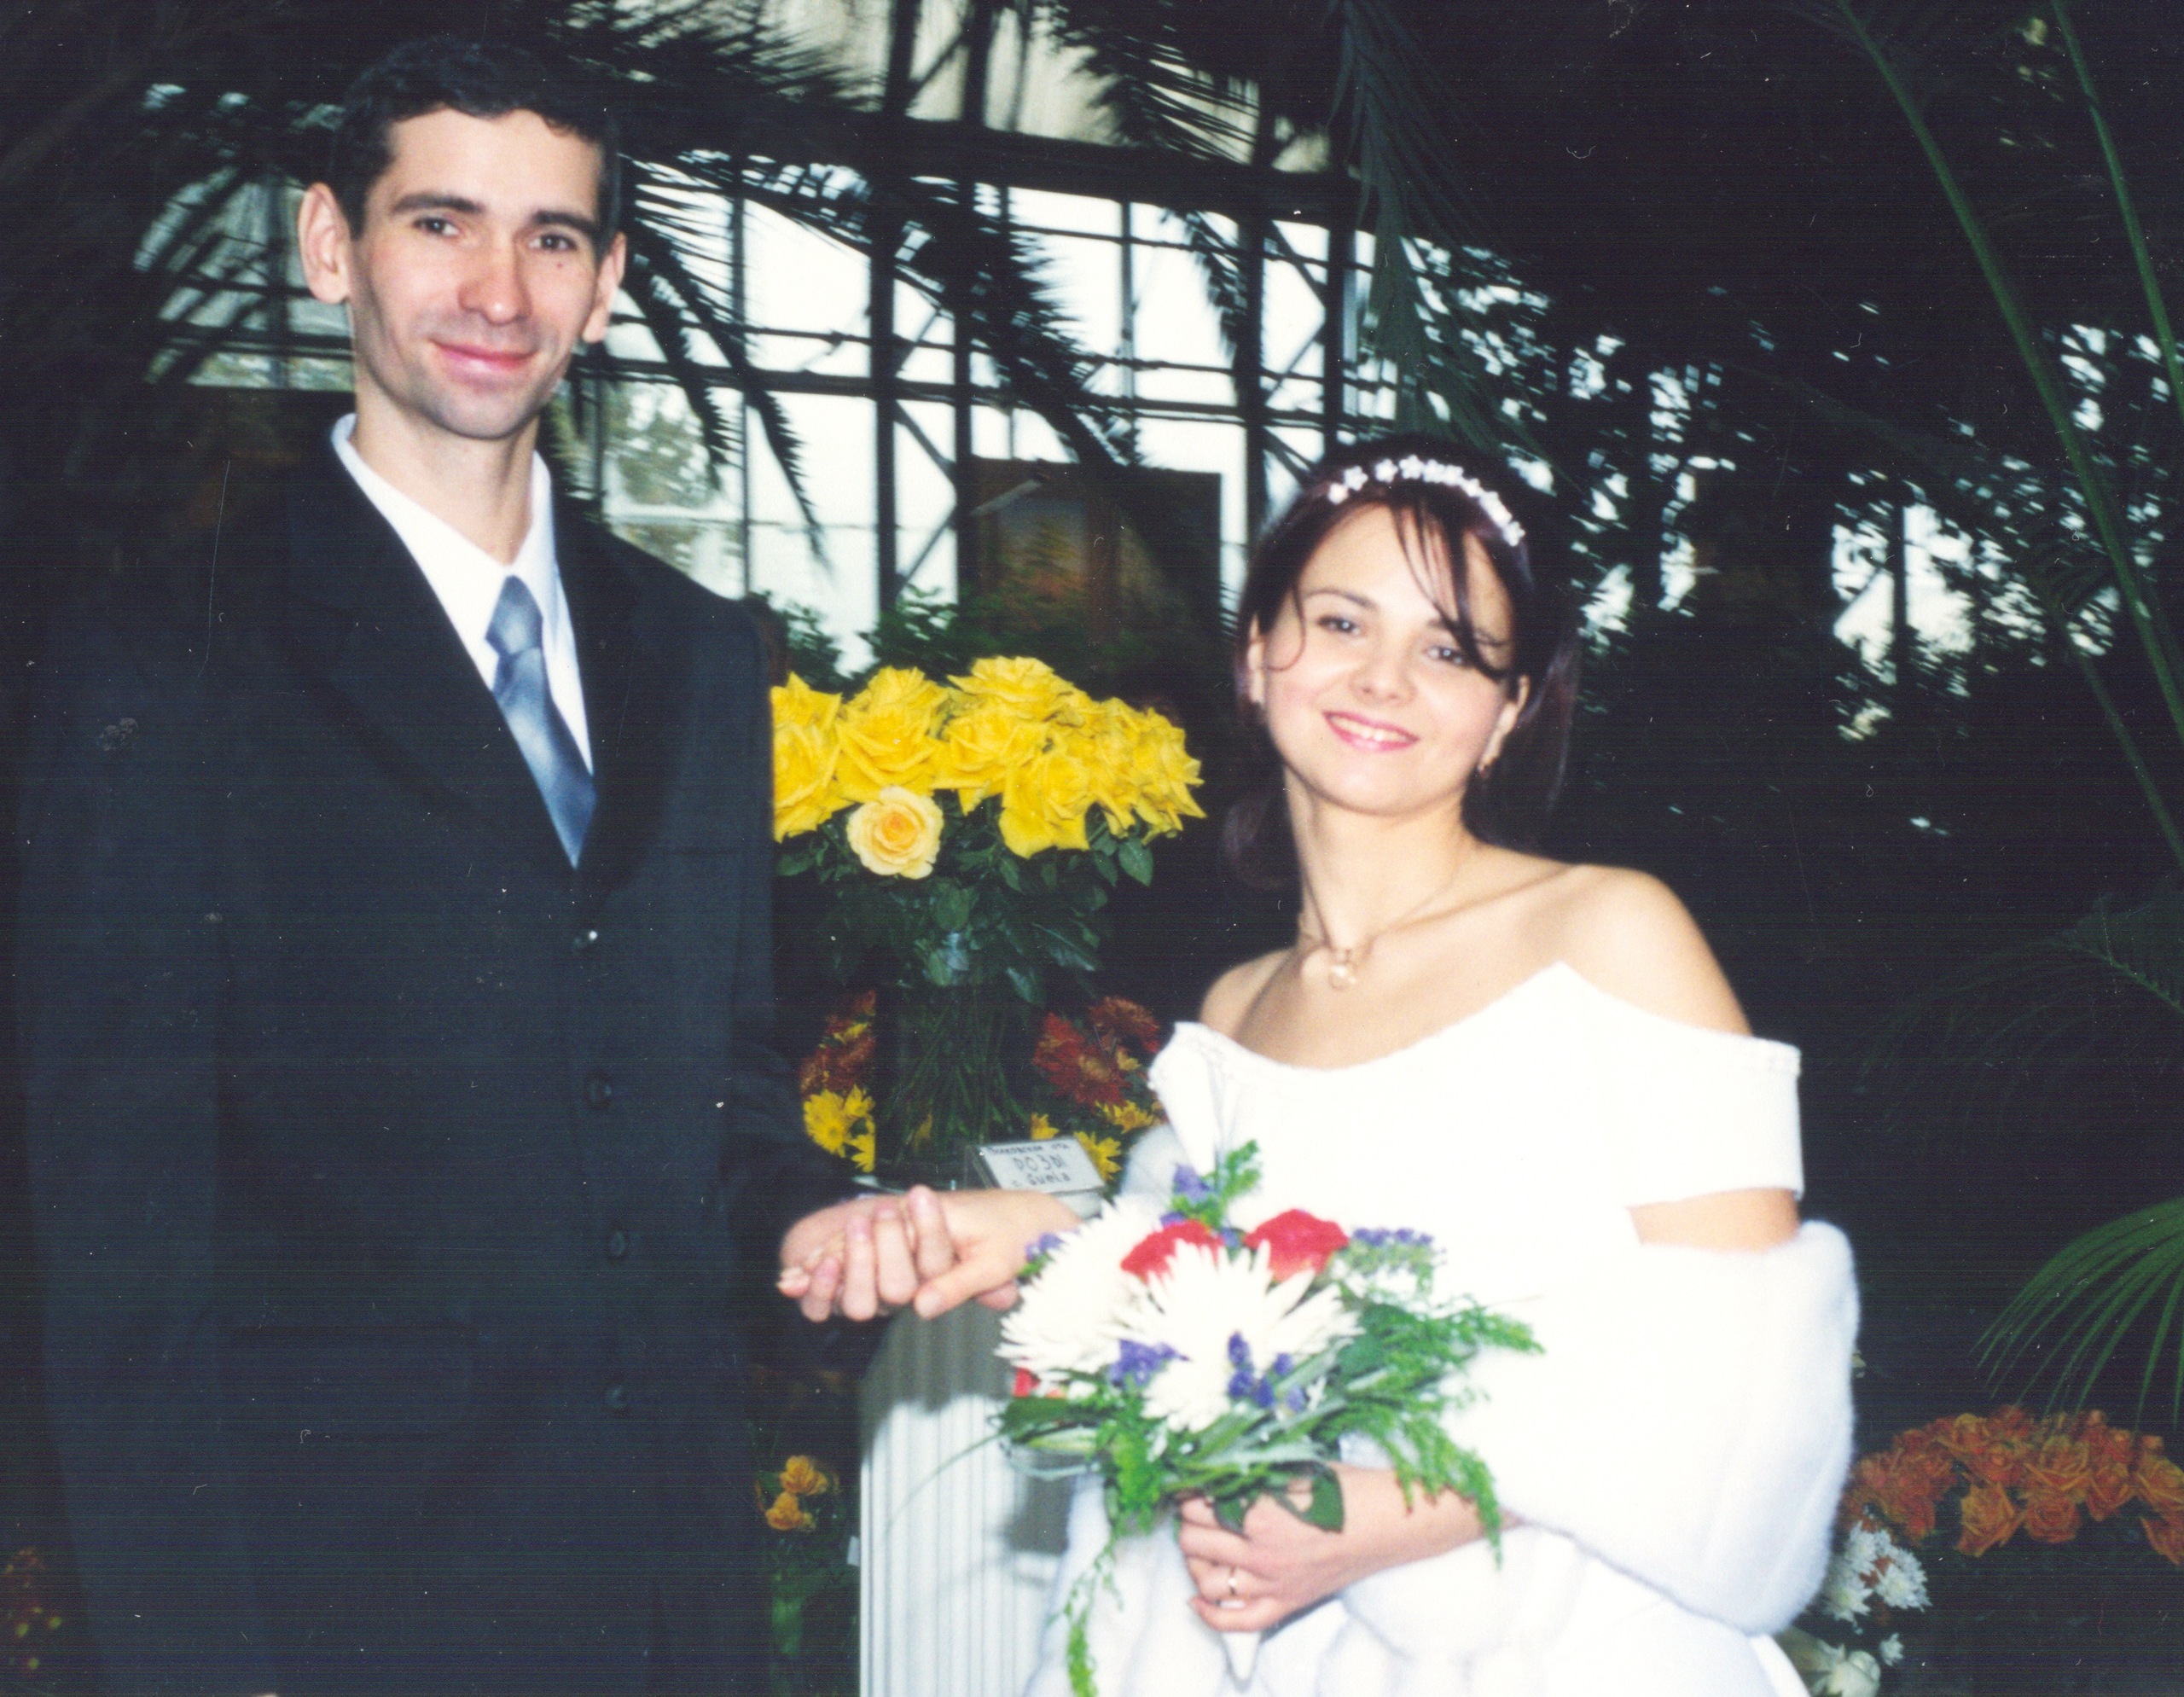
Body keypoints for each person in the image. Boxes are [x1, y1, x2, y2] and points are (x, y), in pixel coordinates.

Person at [14, 36, 932, 1696]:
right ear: (330, 244)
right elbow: (118, 1255)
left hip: (672, 1604)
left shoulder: (699, 658)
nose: (498, 290)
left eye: (551, 237)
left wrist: (819, 1221)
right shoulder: (164, 664)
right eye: (440, 222)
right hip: (349, 1619)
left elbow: (716, 1091)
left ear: (607, 284)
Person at [787, 436, 1858, 1694]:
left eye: (1449, 650)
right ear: (1258, 653)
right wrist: (1048, 1244)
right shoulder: (1238, 1009)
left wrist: (1400, 1513)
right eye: (1342, 621)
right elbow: (1244, 1324)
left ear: (1511, 708)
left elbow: (1754, 1369)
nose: (1383, 678)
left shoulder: (1612, 932)